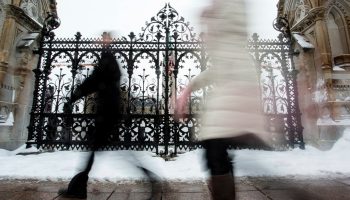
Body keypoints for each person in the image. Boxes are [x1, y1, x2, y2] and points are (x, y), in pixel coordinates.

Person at [175, 0, 272, 199]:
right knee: (216, 152)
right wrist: (189, 88)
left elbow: (228, 48)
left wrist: (210, 18)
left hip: (237, 89)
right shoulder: (226, 19)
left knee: (215, 151)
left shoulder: (229, 9)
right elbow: (218, 67)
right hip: (234, 88)